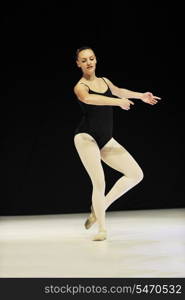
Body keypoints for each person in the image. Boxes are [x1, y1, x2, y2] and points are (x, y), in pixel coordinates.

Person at [73, 46, 161, 241]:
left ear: (96, 60)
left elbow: (118, 91)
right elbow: (88, 98)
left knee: (136, 174)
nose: (89, 62)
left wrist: (141, 96)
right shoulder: (80, 86)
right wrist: (116, 102)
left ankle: (100, 207)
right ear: (78, 64)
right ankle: (102, 229)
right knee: (99, 181)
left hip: (105, 138)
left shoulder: (104, 81)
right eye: (84, 60)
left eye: (92, 58)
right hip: (86, 137)